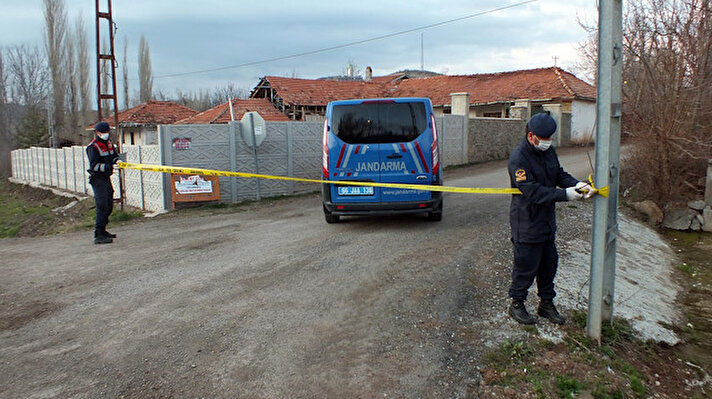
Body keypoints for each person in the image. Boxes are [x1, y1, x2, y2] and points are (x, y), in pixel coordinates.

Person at [507, 113, 593, 325]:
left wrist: (576, 185)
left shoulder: (549, 152)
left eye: (550, 138)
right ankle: (517, 304)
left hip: (546, 221)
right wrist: (565, 195)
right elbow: (532, 192)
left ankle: (546, 304)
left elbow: (558, 175)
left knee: (549, 263)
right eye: (544, 138)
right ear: (531, 136)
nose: (548, 142)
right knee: (526, 265)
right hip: (526, 221)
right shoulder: (519, 159)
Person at [86, 121, 120, 244]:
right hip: (98, 179)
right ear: (97, 133)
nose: (106, 134)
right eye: (103, 132)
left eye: (107, 132)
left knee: (109, 205)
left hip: (106, 178)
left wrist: (117, 161)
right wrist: (108, 167)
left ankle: (103, 230)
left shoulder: (109, 144)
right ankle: (98, 234)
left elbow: (113, 156)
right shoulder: (93, 147)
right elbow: (94, 166)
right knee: (102, 205)